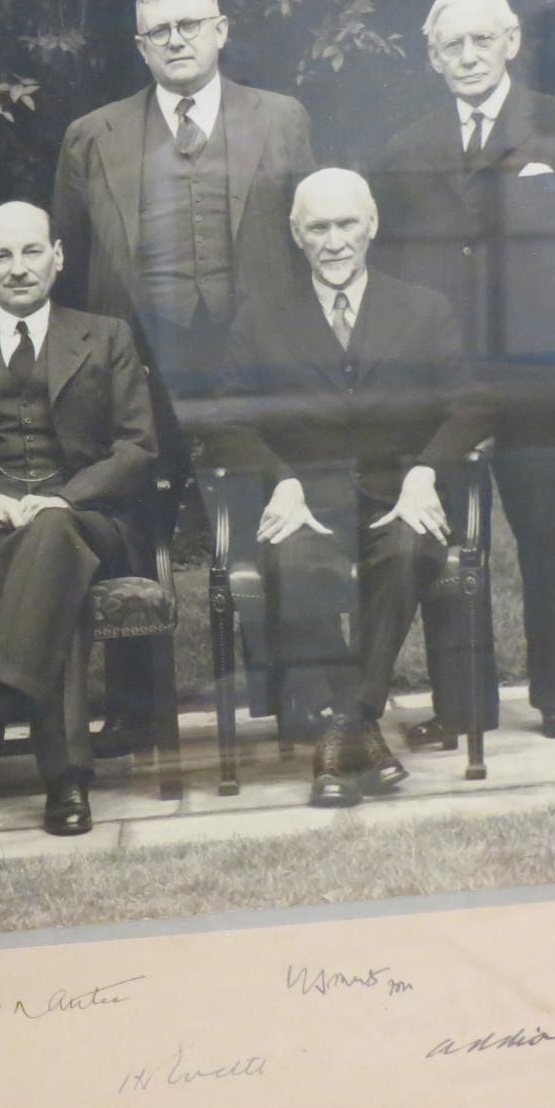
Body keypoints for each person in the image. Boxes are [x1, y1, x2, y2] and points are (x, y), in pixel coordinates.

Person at [209, 170, 488, 808]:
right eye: (317, 227)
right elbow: (227, 421)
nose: (334, 241)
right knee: (289, 563)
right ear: (296, 235)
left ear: (372, 225)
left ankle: (343, 730)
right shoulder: (262, 317)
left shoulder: (422, 307)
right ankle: (361, 729)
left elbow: (469, 407)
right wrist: (281, 481)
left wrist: (425, 472)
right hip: (309, 505)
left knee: (408, 550)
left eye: (346, 225)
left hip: (398, 496)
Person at [0, 202, 158, 836]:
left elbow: (138, 448)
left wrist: (69, 497)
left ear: (58, 257)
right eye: (3, 256)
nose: (19, 268)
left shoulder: (107, 336)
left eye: (32, 251)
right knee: (47, 577)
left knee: (51, 537)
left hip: (87, 526)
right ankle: (65, 781)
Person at [370, 0, 555, 741]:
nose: (467, 56)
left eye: (480, 41)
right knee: (451, 542)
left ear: (510, 42)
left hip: (539, 375)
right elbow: (394, 272)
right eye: (450, 46)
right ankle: (466, 703)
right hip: (447, 378)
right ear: (432, 58)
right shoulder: (404, 151)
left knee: (545, 533)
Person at [51, 0, 315, 467]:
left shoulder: (281, 118)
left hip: (256, 345)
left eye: (189, 25)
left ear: (220, 30)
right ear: (141, 46)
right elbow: (69, 263)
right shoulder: (92, 135)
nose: (175, 41)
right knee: (143, 499)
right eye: (159, 32)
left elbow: (309, 241)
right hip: (142, 351)